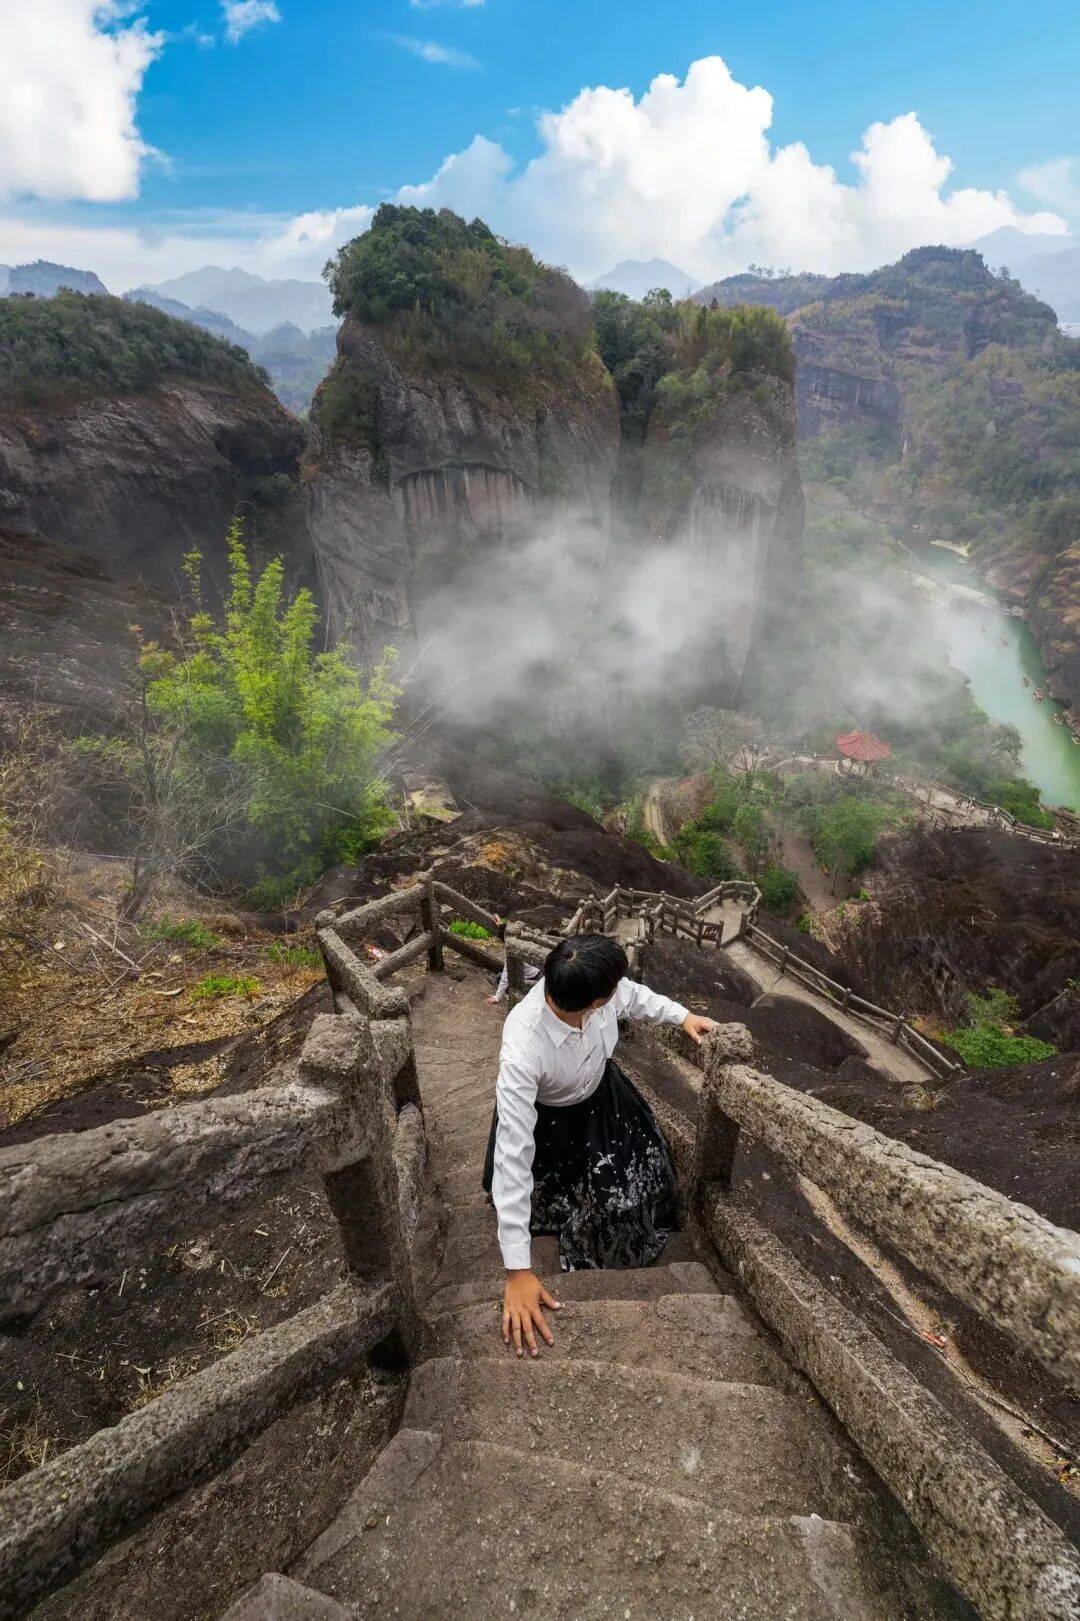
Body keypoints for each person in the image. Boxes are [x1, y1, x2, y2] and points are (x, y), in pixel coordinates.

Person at [482, 933, 716, 1357]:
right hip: (548, 1120)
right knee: (584, 1203)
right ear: (593, 1003)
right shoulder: (522, 1047)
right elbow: (512, 1153)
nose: (617, 995)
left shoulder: (588, 991)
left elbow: (631, 994)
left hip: (602, 1098)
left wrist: (680, 1015)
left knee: (652, 1176)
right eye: (609, 995)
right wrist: (517, 1269)